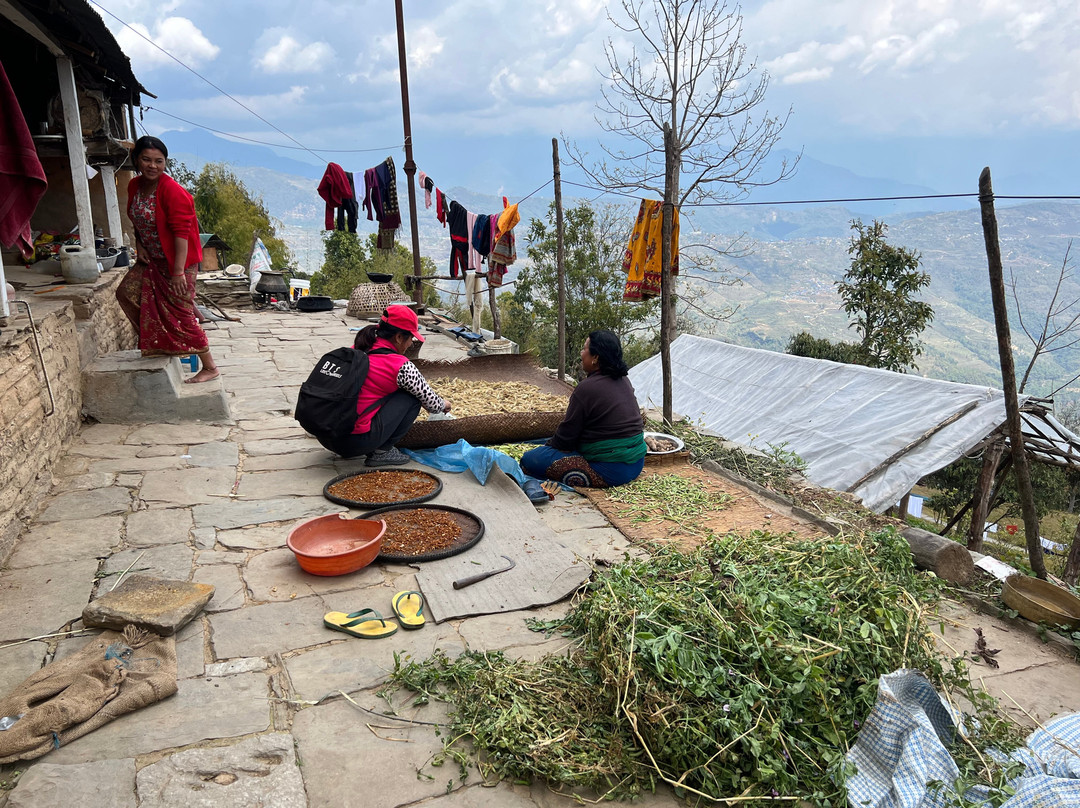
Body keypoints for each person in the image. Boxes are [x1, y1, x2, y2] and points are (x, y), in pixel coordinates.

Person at [115, 135, 220, 383]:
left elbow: (181, 235)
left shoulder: (173, 192)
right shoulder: (134, 186)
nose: (153, 166)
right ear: (137, 160)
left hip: (179, 262)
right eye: (147, 160)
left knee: (181, 311)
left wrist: (178, 273)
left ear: (165, 163)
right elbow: (137, 220)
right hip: (152, 258)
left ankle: (210, 367)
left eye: (159, 161)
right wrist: (140, 244)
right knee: (126, 293)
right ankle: (159, 340)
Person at [318, 307, 451, 464]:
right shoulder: (401, 366)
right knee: (412, 398)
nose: (410, 344)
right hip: (352, 443)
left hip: (325, 435)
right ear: (399, 337)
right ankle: (382, 452)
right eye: (410, 339)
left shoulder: (359, 348)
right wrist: (445, 404)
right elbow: (433, 404)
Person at [520, 330, 646, 488]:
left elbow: (565, 439)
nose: (581, 353)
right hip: (637, 463)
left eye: (585, 349)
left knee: (530, 460)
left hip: (613, 471)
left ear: (595, 358)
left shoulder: (586, 389)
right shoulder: (623, 380)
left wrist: (547, 447)